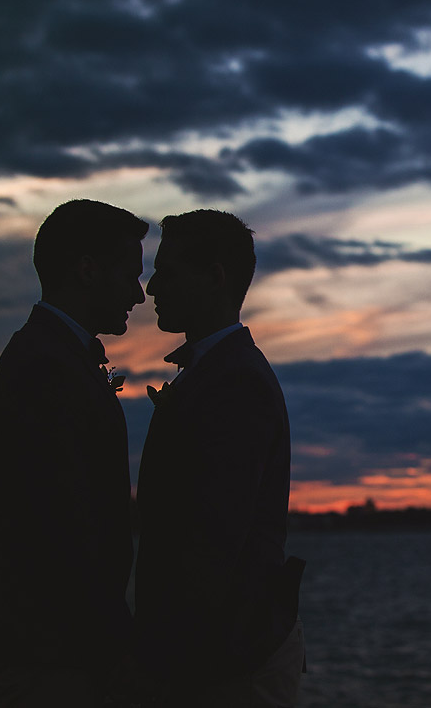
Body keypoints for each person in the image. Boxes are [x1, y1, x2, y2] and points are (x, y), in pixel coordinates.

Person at [0, 199, 148, 706]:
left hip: (60, 645)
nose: (139, 293)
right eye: (130, 275)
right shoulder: (45, 369)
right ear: (87, 270)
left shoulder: (54, 357)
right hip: (50, 652)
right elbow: (57, 527)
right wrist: (115, 649)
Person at [136, 209, 304, 707]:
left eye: (167, 271)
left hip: (230, 658)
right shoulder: (219, 373)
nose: (151, 288)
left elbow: (212, 537)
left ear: (215, 277)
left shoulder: (233, 382)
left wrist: (162, 660)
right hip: (223, 651)